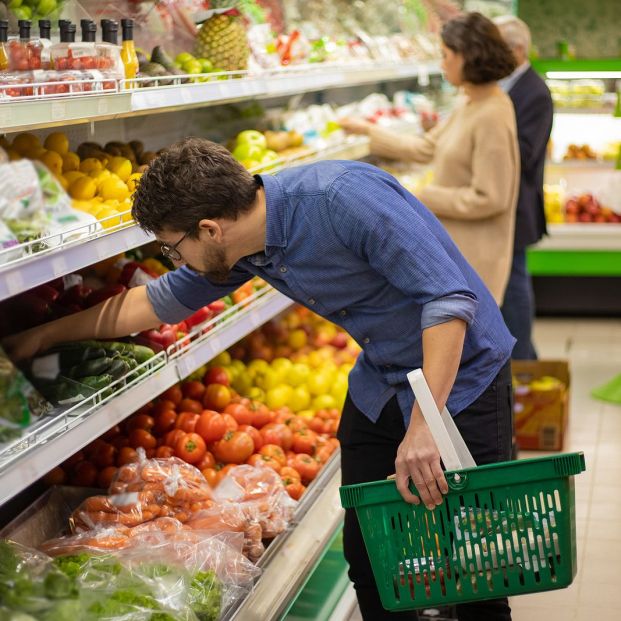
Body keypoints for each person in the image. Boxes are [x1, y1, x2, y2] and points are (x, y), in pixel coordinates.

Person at [5, 138, 515, 621]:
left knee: (476, 565)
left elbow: (448, 302)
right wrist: (43, 336)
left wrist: (425, 427)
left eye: (172, 249)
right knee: (373, 561)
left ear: (209, 229)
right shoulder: (245, 243)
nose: (175, 262)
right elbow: (155, 302)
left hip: (461, 376)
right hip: (383, 379)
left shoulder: (342, 199)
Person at [340, 12, 520, 305]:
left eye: (446, 55)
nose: (441, 63)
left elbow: (491, 197)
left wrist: (424, 196)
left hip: (476, 260)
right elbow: (427, 148)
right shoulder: (469, 101)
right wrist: (369, 131)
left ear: (468, 56)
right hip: (455, 250)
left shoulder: (492, 114)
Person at [494, 15, 553, 360]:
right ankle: (518, 357)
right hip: (507, 204)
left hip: (518, 206)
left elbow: (527, 153)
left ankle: (524, 360)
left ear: (516, 49)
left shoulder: (534, 91)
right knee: (510, 281)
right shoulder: (508, 86)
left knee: (514, 283)